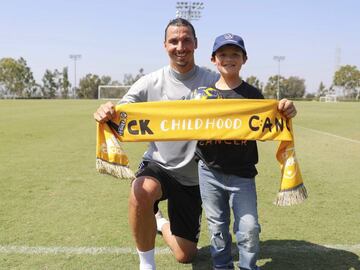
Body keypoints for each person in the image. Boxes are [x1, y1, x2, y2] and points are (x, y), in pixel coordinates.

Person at [94, 18, 219, 270]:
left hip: (196, 177)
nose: (180, 46)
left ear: (196, 44)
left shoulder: (214, 81)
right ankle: (146, 264)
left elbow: (244, 102)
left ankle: (160, 223)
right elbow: (120, 112)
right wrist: (106, 110)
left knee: (185, 256)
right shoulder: (149, 82)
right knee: (141, 190)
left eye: (186, 40)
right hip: (160, 165)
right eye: (174, 41)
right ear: (165, 45)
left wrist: (278, 109)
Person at [195, 33, 297, 270]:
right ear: (213, 59)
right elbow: (183, 122)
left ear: (244, 59)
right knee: (216, 226)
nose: (228, 59)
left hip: (242, 173)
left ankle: (249, 267)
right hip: (209, 171)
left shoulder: (254, 96)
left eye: (235, 54)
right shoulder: (202, 95)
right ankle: (222, 267)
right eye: (222, 54)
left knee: (249, 227)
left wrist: (286, 110)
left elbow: (271, 122)